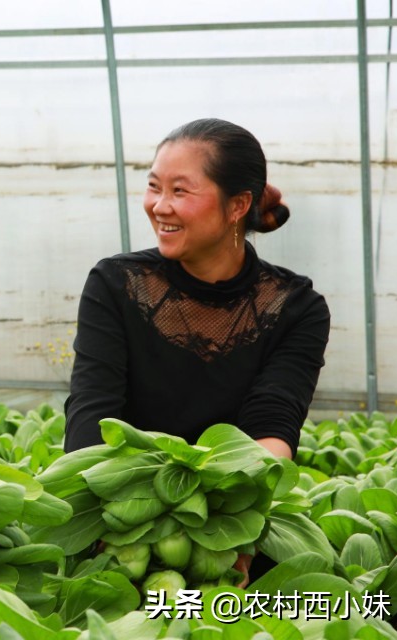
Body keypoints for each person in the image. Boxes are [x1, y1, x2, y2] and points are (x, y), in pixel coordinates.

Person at [63, 118, 331, 579]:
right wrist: (115, 524)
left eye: (180, 192)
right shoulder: (116, 284)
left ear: (238, 206)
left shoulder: (296, 307)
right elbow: (93, 412)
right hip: (122, 526)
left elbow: (272, 426)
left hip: (231, 529)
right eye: (153, 187)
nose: (159, 206)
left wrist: (235, 532)